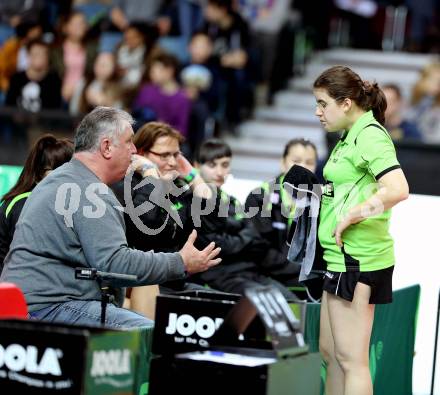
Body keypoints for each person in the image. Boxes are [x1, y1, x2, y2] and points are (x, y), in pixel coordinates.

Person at [0, 107, 221, 329]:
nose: (134, 151)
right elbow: (116, 265)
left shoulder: (62, 179)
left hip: (35, 301)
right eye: (129, 142)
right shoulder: (88, 191)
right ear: (106, 147)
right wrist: (180, 262)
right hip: (49, 306)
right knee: (151, 334)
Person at [313, 66, 409, 395]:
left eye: (323, 103)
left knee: (352, 360)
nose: (318, 111)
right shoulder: (348, 135)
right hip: (337, 257)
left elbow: (397, 188)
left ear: (346, 103)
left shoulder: (370, 134)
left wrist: (353, 215)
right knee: (330, 352)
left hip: (358, 259)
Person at [192, 138, 298, 300]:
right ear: (197, 166)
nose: (220, 172)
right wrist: (243, 238)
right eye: (212, 165)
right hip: (218, 275)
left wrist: (237, 239)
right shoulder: (194, 201)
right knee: (273, 303)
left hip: (249, 271)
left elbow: (254, 236)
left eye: (225, 165)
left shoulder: (232, 200)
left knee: (292, 302)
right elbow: (216, 244)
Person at [245, 138, 318, 290]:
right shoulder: (260, 197)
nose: (303, 167)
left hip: (308, 280)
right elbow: (259, 250)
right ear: (283, 163)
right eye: (296, 160)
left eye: (309, 162)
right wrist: (301, 271)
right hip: (266, 278)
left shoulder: (320, 200)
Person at [0, 134, 73, 271]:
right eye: (57, 171)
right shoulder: (25, 204)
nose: (65, 176)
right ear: (40, 174)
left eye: (69, 171)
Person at [5, 39, 62, 112]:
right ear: (28, 56)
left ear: (48, 57)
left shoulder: (54, 80)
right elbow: (9, 107)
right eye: (36, 54)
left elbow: (54, 109)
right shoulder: (16, 78)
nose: (39, 58)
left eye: (43, 54)